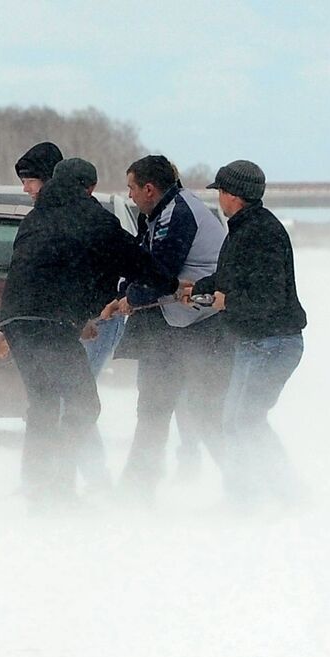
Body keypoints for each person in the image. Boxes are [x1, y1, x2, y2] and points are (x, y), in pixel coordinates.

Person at [0, 157, 153, 501]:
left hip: (18, 322)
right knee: (83, 405)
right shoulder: (93, 218)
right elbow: (135, 262)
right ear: (89, 188)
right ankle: (58, 486)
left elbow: (30, 274)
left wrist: (8, 327)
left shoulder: (34, 218)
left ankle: (37, 485)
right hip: (51, 326)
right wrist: (170, 283)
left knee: (44, 404)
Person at [103, 154, 230, 503]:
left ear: (149, 188)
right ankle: (137, 489)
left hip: (199, 327)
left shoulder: (178, 214)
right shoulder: (160, 213)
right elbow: (142, 264)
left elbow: (160, 273)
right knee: (155, 409)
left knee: (202, 413)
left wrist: (131, 298)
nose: (129, 196)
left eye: (131, 188)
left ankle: (249, 480)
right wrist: (124, 294)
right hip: (175, 327)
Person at [182, 160, 307, 505]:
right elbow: (230, 278)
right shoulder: (244, 229)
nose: (219, 197)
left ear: (234, 195)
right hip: (257, 343)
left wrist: (229, 302)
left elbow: (269, 295)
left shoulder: (262, 233)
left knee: (242, 421)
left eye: (221, 191)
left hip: (272, 343)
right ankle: (268, 494)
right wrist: (197, 289)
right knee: (241, 420)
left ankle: (262, 498)